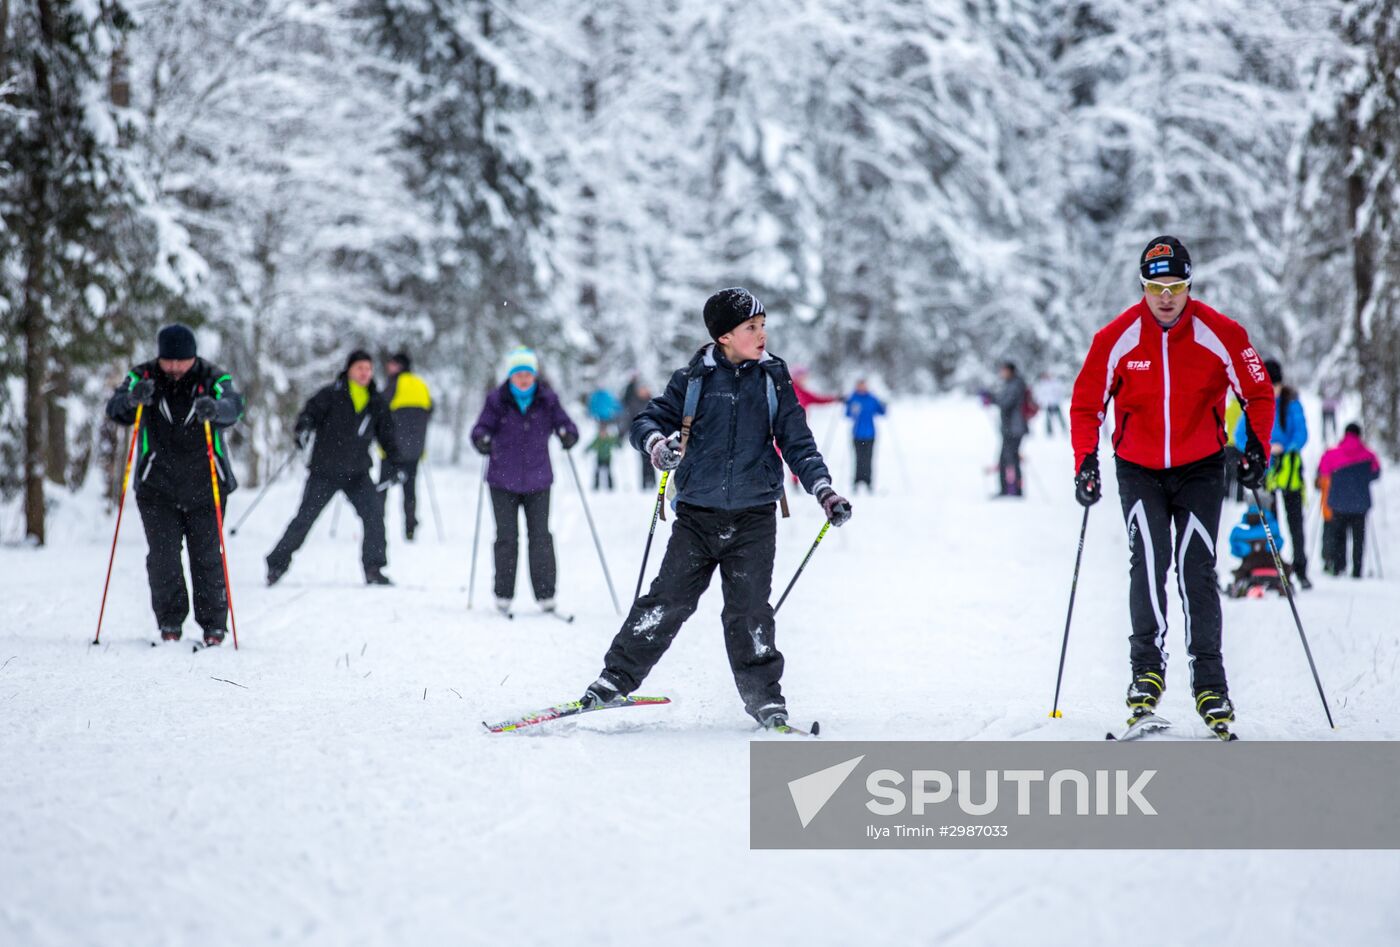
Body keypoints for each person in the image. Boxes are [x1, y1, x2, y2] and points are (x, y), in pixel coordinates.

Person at [577, 287, 852, 731]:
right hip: (697, 518)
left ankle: (765, 701)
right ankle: (613, 682)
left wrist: (824, 491)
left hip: (754, 517)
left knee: (749, 612)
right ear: (724, 335)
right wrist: (657, 445)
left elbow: (798, 442)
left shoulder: (773, 379)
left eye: (763, 326)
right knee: (666, 602)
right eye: (751, 327)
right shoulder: (693, 380)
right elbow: (646, 421)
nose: (762, 334)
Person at [1069, 235, 1275, 738]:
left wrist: (1257, 450)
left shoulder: (1221, 333)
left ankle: (1210, 682)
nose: (1166, 297)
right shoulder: (1115, 337)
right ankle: (1146, 675)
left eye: (1176, 286)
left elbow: (1258, 391)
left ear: (1189, 285)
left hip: (1201, 466)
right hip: (1137, 468)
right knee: (1150, 562)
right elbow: (1085, 404)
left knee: (1195, 567)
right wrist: (1086, 463)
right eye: (1155, 286)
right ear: (1142, 285)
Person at [105, 324, 244, 646]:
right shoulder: (143, 376)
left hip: (207, 485)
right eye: (169, 361)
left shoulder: (213, 377)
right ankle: (169, 623)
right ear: (160, 356)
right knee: (163, 557)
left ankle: (214, 627)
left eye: (182, 361)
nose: (176, 368)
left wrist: (217, 409)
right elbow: (116, 408)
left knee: (207, 556)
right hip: (157, 487)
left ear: (194, 357)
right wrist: (131, 399)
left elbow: (235, 405)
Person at [266, 350, 404, 587]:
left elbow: (388, 436)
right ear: (349, 369)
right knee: (305, 518)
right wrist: (303, 430)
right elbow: (308, 414)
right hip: (325, 471)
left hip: (358, 473)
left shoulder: (376, 401)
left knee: (374, 515)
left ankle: (374, 568)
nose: (364, 373)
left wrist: (397, 463)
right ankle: (276, 564)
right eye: (360, 368)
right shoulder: (331, 394)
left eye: (368, 369)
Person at [470, 347, 578, 615]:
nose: (523, 379)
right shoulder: (497, 399)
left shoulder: (547, 399)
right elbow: (480, 428)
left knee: (540, 537)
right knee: (507, 537)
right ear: (510, 375)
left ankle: (546, 595)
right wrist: (482, 439)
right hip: (501, 480)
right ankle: (503, 594)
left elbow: (567, 425)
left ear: (534, 375)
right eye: (518, 374)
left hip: (538, 480)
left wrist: (567, 435)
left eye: (527, 374)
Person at [1234, 359, 1310, 588]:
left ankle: (1300, 568)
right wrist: (1263, 447)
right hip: (1264, 471)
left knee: (1295, 521)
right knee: (1269, 523)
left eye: (1275, 385)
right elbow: (1239, 436)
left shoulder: (1292, 404)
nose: (1273, 391)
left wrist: (1285, 448)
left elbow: (1301, 434)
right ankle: (1274, 565)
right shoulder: (1255, 404)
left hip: (1289, 472)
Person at [379, 352, 432, 541]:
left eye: (392, 364)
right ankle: (410, 527)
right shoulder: (421, 384)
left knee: (382, 489)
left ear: (400, 366)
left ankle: (377, 526)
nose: (388, 367)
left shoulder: (394, 385)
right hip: (415, 449)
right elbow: (430, 410)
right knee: (409, 491)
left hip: (391, 449)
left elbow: (379, 408)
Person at [1318, 422, 1382, 577]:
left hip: (1338, 502)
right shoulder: (1369, 455)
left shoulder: (1333, 453)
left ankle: (1339, 566)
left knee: (1339, 535)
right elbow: (1375, 474)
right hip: (1360, 504)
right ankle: (1357, 569)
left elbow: (1323, 471)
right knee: (1358, 538)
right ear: (1359, 435)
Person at [989, 361, 1028, 497]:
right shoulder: (1013, 383)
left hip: (1014, 428)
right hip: (1011, 428)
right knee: (1008, 458)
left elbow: (1006, 403)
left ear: (1010, 371)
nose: (1002, 373)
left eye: (1003, 370)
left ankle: (1012, 489)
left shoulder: (1015, 384)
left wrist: (991, 399)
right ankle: (1011, 489)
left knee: (1008, 458)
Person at [845, 379, 886, 492]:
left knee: (868, 459)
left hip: (870, 434)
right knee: (858, 458)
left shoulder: (872, 398)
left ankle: (868, 482)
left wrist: (884, 405)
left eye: (863, 385)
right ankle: (857, 481)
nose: (862, 387)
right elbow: (847, 414)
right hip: (857, 434)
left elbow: (882, 412)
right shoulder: (853, 398)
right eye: (860, 385)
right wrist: (847, 405)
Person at [621, 377, 656, 490]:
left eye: (645, 389)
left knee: (652, 457)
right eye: (641, 389)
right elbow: (628, 418)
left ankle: (653, 482)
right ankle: (645, 483)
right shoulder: (633, 402)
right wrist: (622, 432)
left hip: (653, 432)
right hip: (640, 435)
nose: (643, 391)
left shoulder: (652, 401)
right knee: (643, 458)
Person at [587, 422, 620, 491]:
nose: (603, 433)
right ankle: (596, 486)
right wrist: (587, 450)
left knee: (608, 472)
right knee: (597, 472)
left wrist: (619, 443)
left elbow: (616, 442)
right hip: (599, 458)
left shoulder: (609, 439)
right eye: (601, 432)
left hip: (607, 458)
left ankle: (610, 486)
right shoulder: (598, 439)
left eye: (604, 432)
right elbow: (592, 445)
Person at [1034, 371, 1067, 436]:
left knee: (1060, 417)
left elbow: (1060, 392)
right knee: (1048, 419)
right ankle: (1049, 431)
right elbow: (1040, 394)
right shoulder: (1042, 384)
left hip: (1056, 403)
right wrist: (1041, 402)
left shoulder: (1055, 382)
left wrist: (1058, 399)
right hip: (1048, 404)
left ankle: (1064, 429)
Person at [1320, 378, 1342, 444]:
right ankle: (1324, 438)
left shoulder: (1335, 388)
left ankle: (1334, 435)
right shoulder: (1325, 386)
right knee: (1324, 424)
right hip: (1325, 409)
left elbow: (1338, 398)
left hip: (1331, 409)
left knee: (1333, 424)